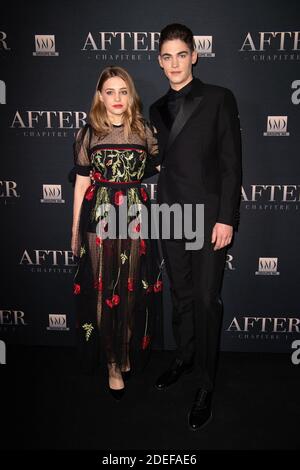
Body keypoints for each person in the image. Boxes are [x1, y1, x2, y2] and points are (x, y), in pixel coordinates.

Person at [149, 24, 242, 430]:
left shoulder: (219, 98)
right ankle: (184, 357)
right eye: (166, 56)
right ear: (159, 61)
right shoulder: (154, 109)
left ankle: (205, 384)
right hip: (170, 214)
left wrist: (226, 217)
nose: (174, 63)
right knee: (181, 294)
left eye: (181, 54)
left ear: (194, 55)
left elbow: (230, 163)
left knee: (206, 300)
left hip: (208, 218)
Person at [71, 66, 162, 400]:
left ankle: (125, 353)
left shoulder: (145, 131)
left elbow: (160, 165)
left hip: (136, 215)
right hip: (98, 217)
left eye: (123, 91)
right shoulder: (88, 134)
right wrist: (74, 229)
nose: (117, 98)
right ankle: (111, 362)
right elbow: (81, 184)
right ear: (100, 96)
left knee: (131, 292)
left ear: (131, 94)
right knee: (102, 292)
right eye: (110, 91)